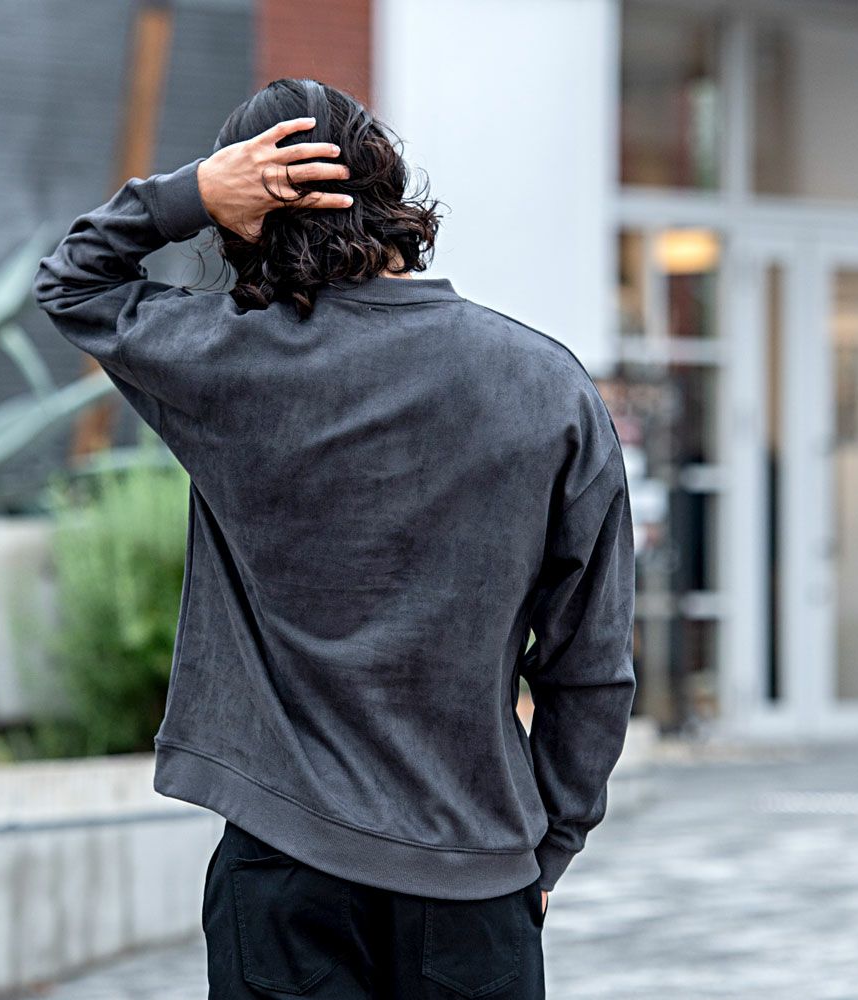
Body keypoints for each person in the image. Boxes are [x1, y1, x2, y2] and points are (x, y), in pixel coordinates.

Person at [34, 76, 636, 1000]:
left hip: (284, 870)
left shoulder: (226, 362)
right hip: (475, 878)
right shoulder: (547, 386)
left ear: (247, 218)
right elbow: (590, 666)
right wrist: (548, 846)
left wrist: (192, 194)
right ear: (389, 192)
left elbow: (73, 281)